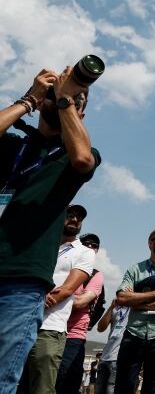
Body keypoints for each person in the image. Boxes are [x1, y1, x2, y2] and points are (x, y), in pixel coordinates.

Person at [0, 67, 100, 392]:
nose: (62, 98)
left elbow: (83, 158)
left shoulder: (71, 158)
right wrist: (29, 99)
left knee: (3, 378)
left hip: (22, 282)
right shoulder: (16, 145)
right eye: (56, 93)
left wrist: (65, 99)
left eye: (74, 100)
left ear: (79, 112)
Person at [19, 206, 97, 394]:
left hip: (50, 327)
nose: (75, 219)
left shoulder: (85, 252)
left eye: (79, 218)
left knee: (42, 388)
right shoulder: (41, 243)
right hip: (20, 323)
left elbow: (67, 289)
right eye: (70, 215)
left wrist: (30, 300)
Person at [114, 229, 155, 394]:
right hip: (133, 333)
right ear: (150, 243)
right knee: (123, 386)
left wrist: (138, 302)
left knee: (154, 388)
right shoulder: (135, 269)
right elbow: (122, 298)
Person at [56, 233, 104, 394]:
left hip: (74, 335)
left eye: (94, 245)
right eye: (86, 243)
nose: (90, 247)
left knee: (66, 378)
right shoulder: (63, 267)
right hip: (51, 327)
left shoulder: (96, 275)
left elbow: (81, 302)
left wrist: (60, 296)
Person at [95, 299, 130, 394]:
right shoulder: (115, 309)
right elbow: (100, 328)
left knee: (111, 390)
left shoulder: (134, 309)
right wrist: (111, 307)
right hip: (105, 357)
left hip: (119, 358)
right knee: (99, 390)